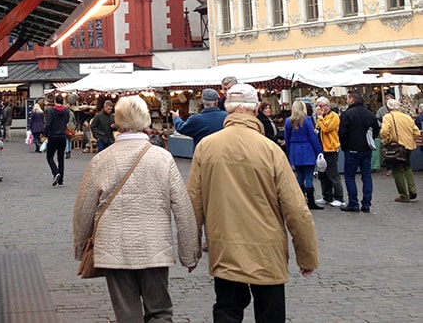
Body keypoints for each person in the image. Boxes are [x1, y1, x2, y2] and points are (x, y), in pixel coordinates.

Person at [187, 83, 318, 323]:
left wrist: (190, 253)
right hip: (267, 248)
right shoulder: (270, 150)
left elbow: (193, 205)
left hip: (224, 246)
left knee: (227, 309)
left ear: (226, 108)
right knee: (270, 312)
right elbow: (297, 209)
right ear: (256, 108)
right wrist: (306, 256)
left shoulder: (206, 147)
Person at [73, 95, 201, 323]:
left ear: (118, 121)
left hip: (113, 248)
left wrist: (80, 247)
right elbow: (183, 208)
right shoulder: (163, 158)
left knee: (127, 314)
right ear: (146, 122)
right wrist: (189, 253)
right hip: (154, 246)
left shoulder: (101, 159)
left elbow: (83, 209)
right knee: (160, 311)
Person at [338, 88, 379, 213]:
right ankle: (366, 204)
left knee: (350, 176)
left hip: (352, 149)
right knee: (366, 176)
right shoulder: (370, 114)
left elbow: (342, 133)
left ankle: (353, 203)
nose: (346, 101)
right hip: (366, 149)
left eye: (347, 98)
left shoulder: (347, 114)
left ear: (352, 99)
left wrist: (345, 147)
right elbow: (376, 130)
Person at [284, 100, 324, 210]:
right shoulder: (307, 121)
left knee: (299, 176)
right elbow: (313, 137)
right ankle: (311, 202)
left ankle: (300, 201)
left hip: (295, 150)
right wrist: (319, 152)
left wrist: (289, 152)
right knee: (309, 177)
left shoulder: (288, 121)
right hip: (307, 150)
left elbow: (286, 138)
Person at [380, 98, 421, 202]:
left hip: (396, 146)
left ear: (388, 107)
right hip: (409, 146)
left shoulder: (388, 117)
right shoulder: (407, 117)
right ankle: (412, 189)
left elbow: (384, 131)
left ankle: (403, 194)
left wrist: (385, 141)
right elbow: (416, 132)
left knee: (397, 169)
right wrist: (410, 139)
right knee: (407, 167)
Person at [313, 97, 344, 207]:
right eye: (317, 106)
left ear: (327, 106)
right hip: (322, 149)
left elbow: (326, 128)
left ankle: (339, 197)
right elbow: (320, 129)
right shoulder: (322, 117)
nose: (318, 108)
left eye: (320, 106)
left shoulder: (333, 117)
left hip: (330, 149)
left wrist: (320, 118)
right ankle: (327, 196)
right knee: (323, 174)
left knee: (333, 174)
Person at [44, 94, 70, 186]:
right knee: (60, 158)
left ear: (55, 101)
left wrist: (45, 134)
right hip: (62, 136)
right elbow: (67, 121)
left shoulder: (51, 111)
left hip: (53, 136)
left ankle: (56, 172)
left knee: (49, 156)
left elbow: (48, 124)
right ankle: (61, 180)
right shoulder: (66, 111)